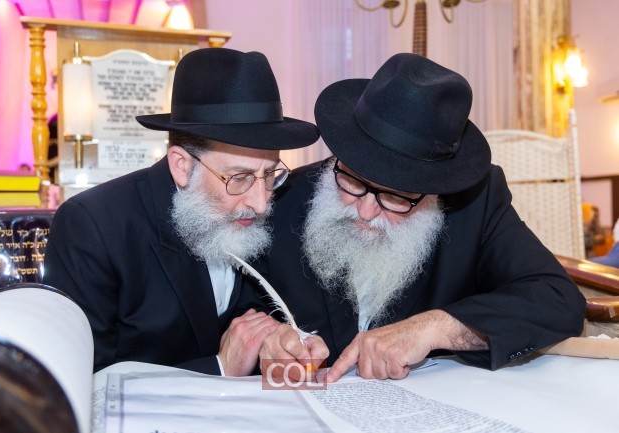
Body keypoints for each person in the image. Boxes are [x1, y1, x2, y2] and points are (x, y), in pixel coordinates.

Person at [254, 53, 586, 382]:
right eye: (353, 181)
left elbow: (557, 300)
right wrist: (265, 335)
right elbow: (240, 307)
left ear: (434, 193)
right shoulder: (282, 195)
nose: (366, 212)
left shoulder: (475, 204)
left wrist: (435, 328)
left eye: (395, 197)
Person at [43, 48, 319, 374]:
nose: (261, 204)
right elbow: (78, 380)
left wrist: (276, 343)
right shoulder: (93, 227)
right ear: (182, 166)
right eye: (239, 178)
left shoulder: (249, 214)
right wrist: (219, 367)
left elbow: (255, 319)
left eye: (270, 174)